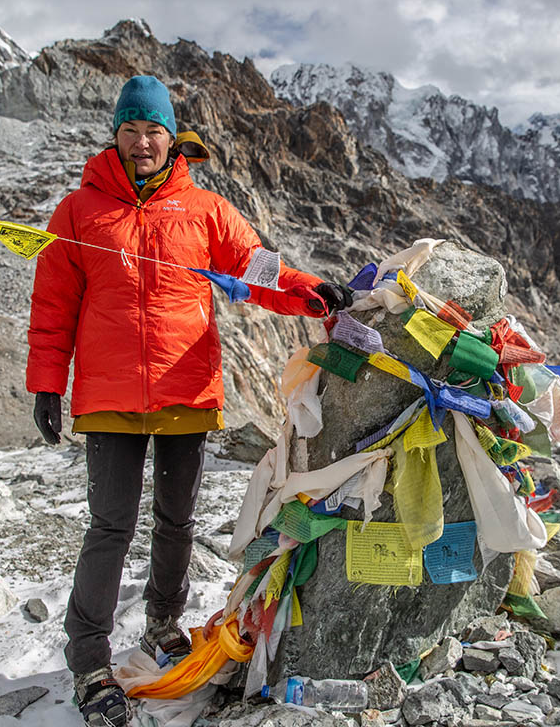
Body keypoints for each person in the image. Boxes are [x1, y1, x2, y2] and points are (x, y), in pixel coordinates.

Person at [26, 75, 351, 727]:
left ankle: (163, 623)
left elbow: (256, 267)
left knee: (177, 520)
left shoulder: (204, 210)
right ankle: (89, 657)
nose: (142, 142)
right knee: (110, 525)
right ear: (114, 136)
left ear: (172, 138)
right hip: (111, 393)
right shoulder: (79, 211)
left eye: (153, 131)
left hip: (183, 386)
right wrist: (46, 382)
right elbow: (54, 305)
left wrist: (309, 289)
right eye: (131, 130)